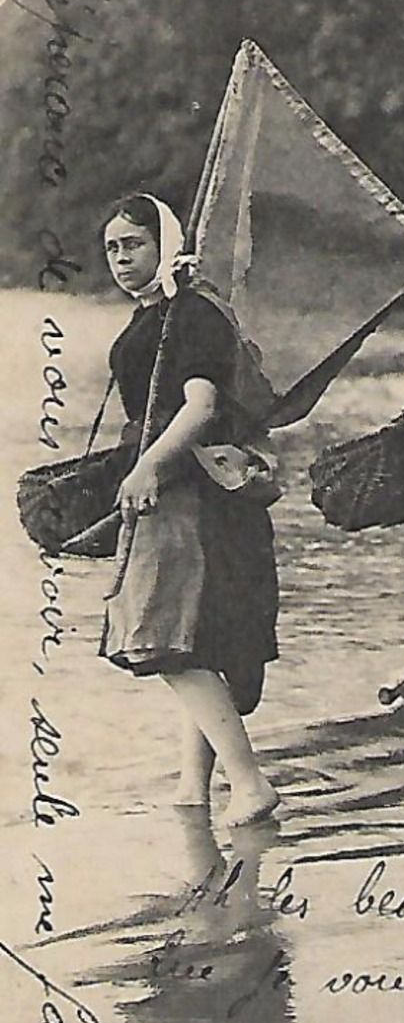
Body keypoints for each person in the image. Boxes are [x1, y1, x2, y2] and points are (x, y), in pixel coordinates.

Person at [100, 193, 280, 827]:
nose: (122, 259)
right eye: (112, 250)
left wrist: (148, 464)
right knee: (190, 639)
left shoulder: (193, 314)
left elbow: (200, 405)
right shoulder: (157, 314)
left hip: (194, 496)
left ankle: (251, 784)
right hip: (176, 492)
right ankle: (193, 785)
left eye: (133, 245)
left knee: (165, 641)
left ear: (165, 244)